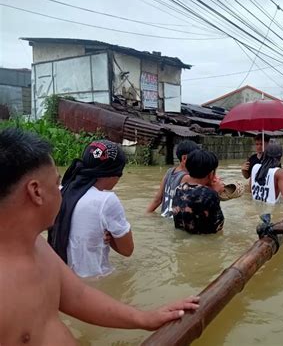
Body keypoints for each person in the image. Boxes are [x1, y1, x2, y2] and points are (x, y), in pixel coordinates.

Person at [0, 128, 199, 345]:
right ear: (36, 192)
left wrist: (144, 318)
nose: (61, 191)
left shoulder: (38, 247)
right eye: (56, 184)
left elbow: (78, 295)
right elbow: (127, 249)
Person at [47, 140, 133, 278]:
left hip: (61, 279)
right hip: (95, 283)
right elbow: (127, 250)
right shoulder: (107, 200)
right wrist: (110, 238)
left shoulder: (59, 192)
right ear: (113, 173)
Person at [172, 149, 225, 234]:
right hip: (204, 241)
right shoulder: (209, 194)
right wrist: (215, 192)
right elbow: (218, 227)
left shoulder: (178, 189)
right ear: (211, 174)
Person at [146, 140, 199, 217]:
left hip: (164, 217)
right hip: (175, 223)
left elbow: (157, 200)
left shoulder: (169, 172)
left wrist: (146, 214)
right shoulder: (187, 178)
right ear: (184, 158)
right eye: (196, 157)